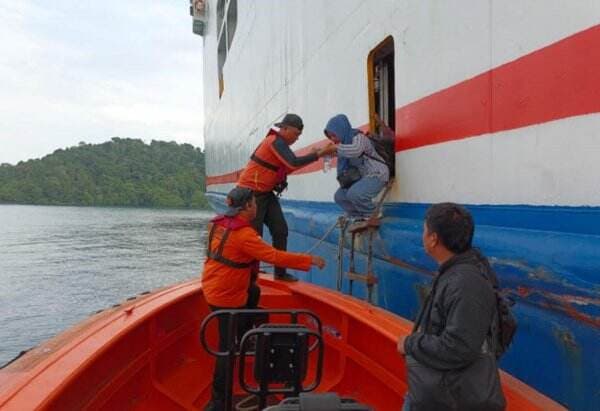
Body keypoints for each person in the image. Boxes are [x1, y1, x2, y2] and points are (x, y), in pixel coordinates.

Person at [202, 187, 326, 411]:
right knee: (226, 350)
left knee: (255, 292)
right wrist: (310, 260)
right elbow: (274, 256)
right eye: (255, 203)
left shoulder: (216, 224)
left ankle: (245, 334)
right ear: (248, 206)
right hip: (227, 298)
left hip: (213, 285)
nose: (257, 207)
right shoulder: (244, 236)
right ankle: (218, 403)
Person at [397, 203, 506, 411]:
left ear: (433, 239)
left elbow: (459, 348)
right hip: (442, 391)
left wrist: (410, 344)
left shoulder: (465, 283)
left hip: (451, 397)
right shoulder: (454, 273)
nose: (423, 235)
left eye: (424, 230)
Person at [237, 113, 330, 281]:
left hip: (265, 193)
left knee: (280, 230)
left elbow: (290, 164)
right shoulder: (275, 142)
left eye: (299, 135)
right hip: (251, 194)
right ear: (284, 129)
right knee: (254, 235)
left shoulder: (282, 145)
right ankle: (249, 275)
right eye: (295, 134)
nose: (297, 138)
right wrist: (320, 153)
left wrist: (315, 154)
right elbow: (293, 163)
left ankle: (280, 273)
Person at [323, 114, 389, 221]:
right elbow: (332, 153)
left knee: (354, 194)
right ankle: (358, 215)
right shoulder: (343, 145)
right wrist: (319, 152)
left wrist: (335, 148)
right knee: (339, 196)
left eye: (334, 135)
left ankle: (372, 214)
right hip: (364, 178)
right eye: (330, 137)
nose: (333, 139)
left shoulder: (359, 138)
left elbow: (356, 150)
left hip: (377, 174)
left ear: (341, 130)